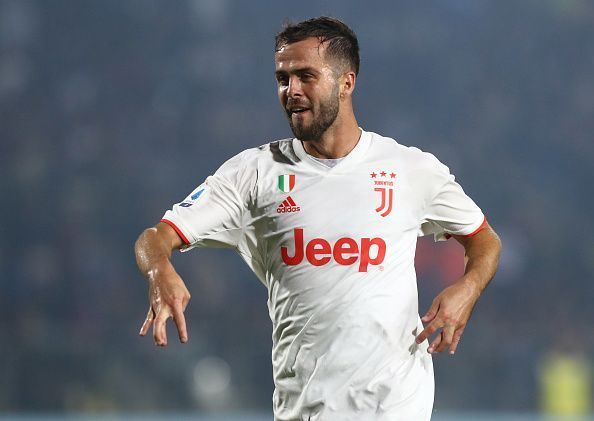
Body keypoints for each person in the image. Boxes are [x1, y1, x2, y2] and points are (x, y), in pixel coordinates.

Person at [134, 16, 502, 421]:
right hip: (304, 409)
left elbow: (484, 239)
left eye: (305, 76)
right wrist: (159, 270)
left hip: (397, 405)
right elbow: (156, 236)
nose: (290, 90)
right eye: (282, 78)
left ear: (347, 82)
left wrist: (466, 290)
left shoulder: (409, 169)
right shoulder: (253, 174)